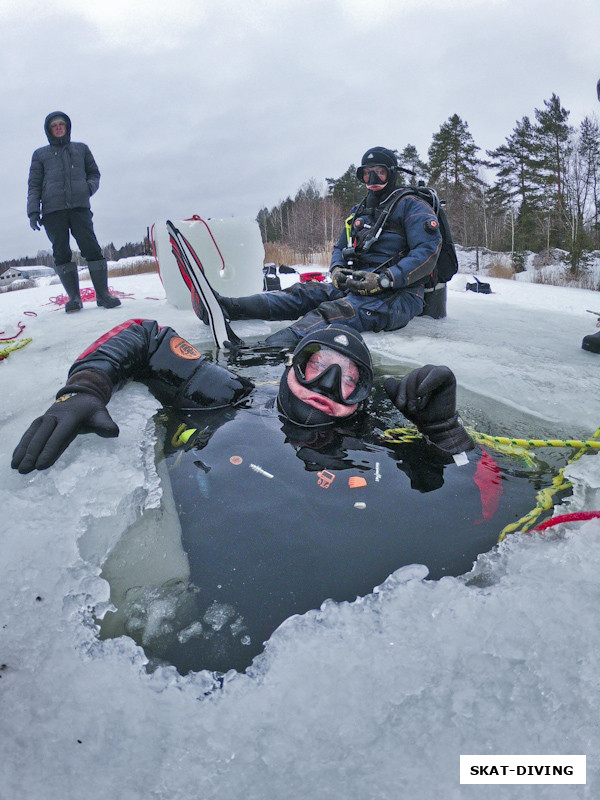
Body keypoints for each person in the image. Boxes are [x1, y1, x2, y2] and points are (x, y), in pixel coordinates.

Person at [11, 322, 547, 674]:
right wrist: (84, 387)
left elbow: (484, 511)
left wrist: (448, 433)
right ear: (292, 366)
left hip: (315, 648)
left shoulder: (379, 451)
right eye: (317, 366)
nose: (329, 383)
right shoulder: (229, 397)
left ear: (362, 398)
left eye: (348, 379)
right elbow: (147, 336)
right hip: (198, 609)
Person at [192, 146, 442, 348]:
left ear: (392, 173)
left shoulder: (412, 206)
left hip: (399, 295)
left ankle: (264, 350)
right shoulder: (361, 211)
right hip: (357, 286)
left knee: (335, 312)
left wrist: (385, 280)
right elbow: (340, 246)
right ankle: (227, 306)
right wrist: (336, 270)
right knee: (301, 293)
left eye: (379, 173)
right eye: (366, 174)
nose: (372, 180)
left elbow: (428, 252)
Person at [27, 111, 121, 313]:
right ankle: (75, 299)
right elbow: (34, 185)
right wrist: (33, 211)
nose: (59, 127)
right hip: (52, 212)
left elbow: (94, 173)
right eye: (55, 125)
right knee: (61, 253)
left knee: (91, 248)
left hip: (79, 208)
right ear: (49, 130)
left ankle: (103, 296)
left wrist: (87, 189)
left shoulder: (81, 149)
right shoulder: (40, 155)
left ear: (67, 127)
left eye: (62, 124)